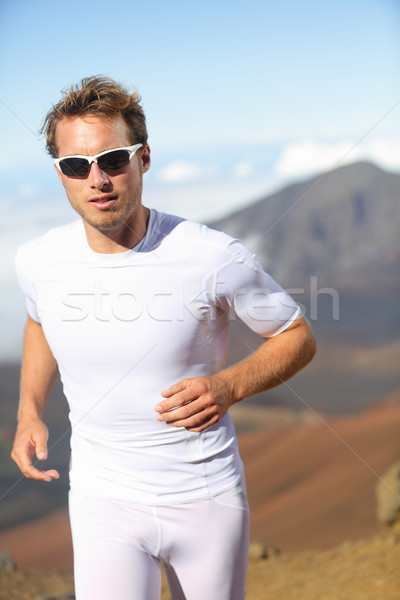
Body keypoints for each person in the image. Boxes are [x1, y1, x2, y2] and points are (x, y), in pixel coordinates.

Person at [11, 76, 316, 600]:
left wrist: (230, 386)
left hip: (205, 499)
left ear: (144, 158)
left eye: (113, 159)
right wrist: (29, 411)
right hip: (101, 500)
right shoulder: (38, 260)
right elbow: (40, 321)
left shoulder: (213, 255)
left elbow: (297, 335)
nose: (97, 179)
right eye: (76, 165)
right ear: (59, 174)